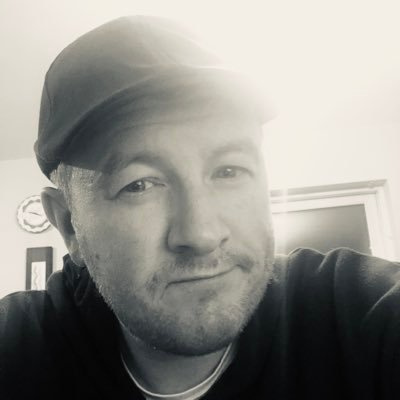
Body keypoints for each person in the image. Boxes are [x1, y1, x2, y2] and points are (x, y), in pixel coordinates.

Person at [1, 15, 400, 400]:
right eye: (139, 185)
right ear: (69, 225)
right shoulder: (19, 349)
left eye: (229, 171)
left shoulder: (361, 316)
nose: (201, 235)